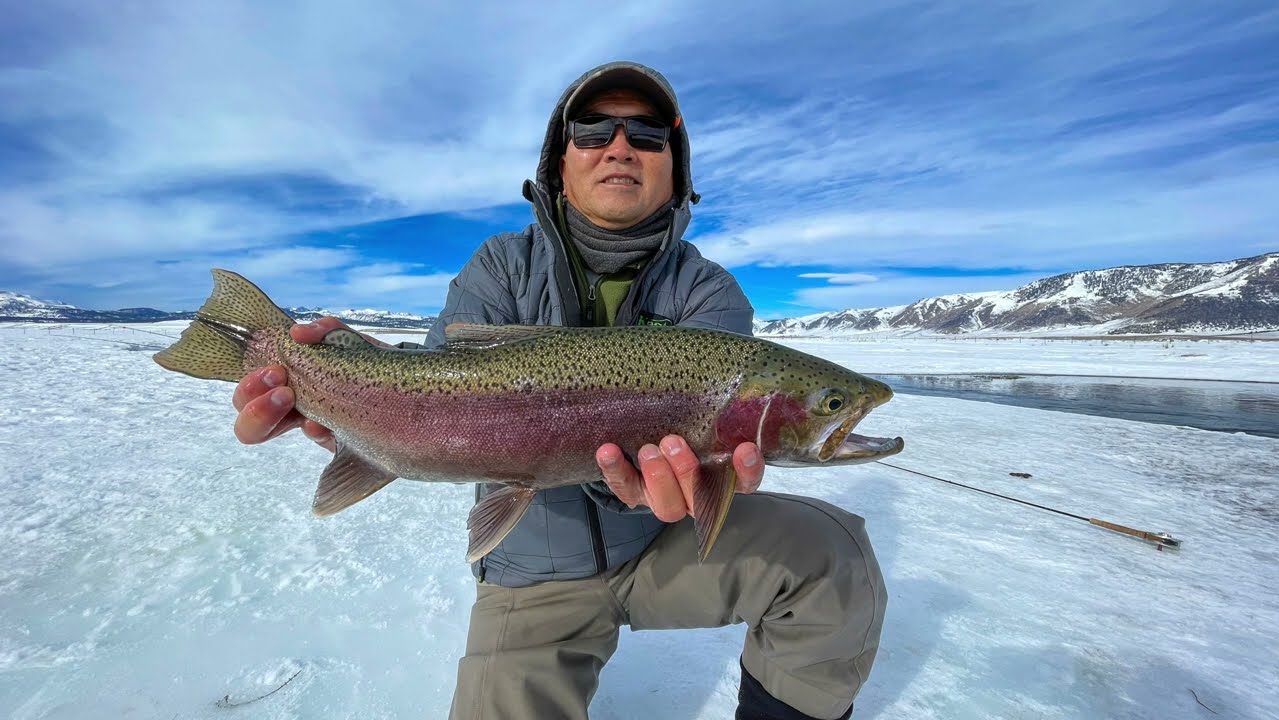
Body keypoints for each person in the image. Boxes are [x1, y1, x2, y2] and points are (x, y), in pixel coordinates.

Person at [230, 61, 887, 720]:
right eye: (593, 129)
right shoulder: (499, 267)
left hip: (663, 546)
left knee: (835, 555)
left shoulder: (709, 295)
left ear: (676, 170)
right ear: (558, 163)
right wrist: (342, 398)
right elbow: (427, 391)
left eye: (648, 133)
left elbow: (705, 476)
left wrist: (693, 484)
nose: (620, 145)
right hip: (530, 570)